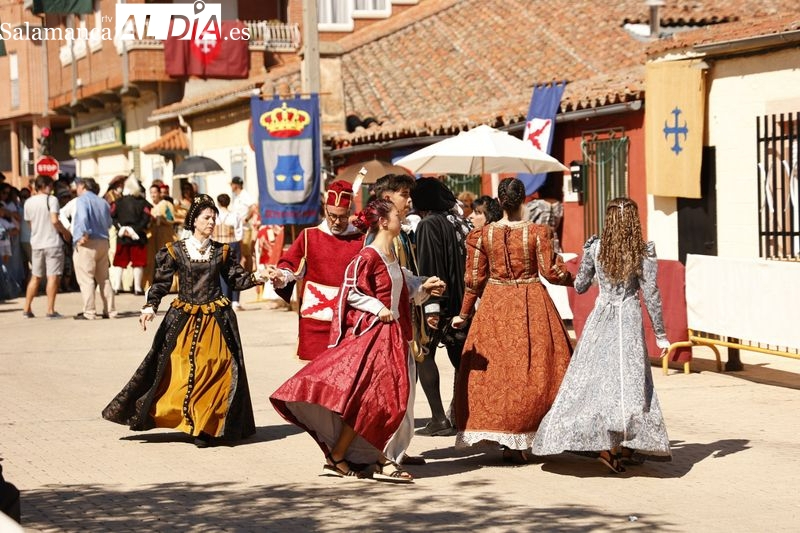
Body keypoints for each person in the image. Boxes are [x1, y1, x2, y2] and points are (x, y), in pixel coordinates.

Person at [270, 199, 445, 482]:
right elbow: (349, 291)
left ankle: (344, 455)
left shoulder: (390, 257)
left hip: (396, 337)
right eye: (398, 215)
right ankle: (381, 460)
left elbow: (400, 292)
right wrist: (379, 309)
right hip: (376, 338)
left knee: (379, 401)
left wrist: (424, 287)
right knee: (383, 401)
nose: (402, 219)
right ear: (384, 222)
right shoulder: (367, 256)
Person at [102, 194, 266, 448]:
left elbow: (237, 280)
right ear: (194, 220)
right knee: (180, 366)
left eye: (214, 218)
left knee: (218, 364)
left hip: (216, 319)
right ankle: (190, 421)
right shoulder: (175, 251)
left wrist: (259, 276)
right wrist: (149, 306)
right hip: (184, 318)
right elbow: (160, 283)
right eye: (206, 218)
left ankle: (206, 425)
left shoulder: (221, 251)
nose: (212, 222)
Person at [531, 197, 672, 473]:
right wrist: (660, 334)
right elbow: (652, 295)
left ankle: (610, 445)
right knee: (630, 382)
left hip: (602, 317)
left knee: (595, 381)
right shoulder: (641, 253)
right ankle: (622, 444)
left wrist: (587, 269)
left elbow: (581, 285)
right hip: (629, 318)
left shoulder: (596, 248)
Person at [450, 177, 574, 464]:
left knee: (499, 372)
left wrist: (464, 313)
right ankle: (528, 432)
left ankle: (505, 434)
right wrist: (576, 279)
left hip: (494, 303)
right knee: (536, 370)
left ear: (499, 200)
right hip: (531, 300)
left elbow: (473, 280)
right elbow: (550, 272)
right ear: (523, 200)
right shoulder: (537, 233)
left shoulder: (483, 236)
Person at [266, 180, 365, 361]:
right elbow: (290, 265)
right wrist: (281, 275)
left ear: (350, 212)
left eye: (342, 217)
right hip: (315, 321)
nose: (336, 221)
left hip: (348, 319)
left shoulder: (361, 240)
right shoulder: (309, 236)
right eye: (332, 215)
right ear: (325, 211)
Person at [410, 177, 469, 437]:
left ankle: (438, 418)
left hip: (440, 303)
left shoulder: (428, 225)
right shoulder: (460, 221)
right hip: (464, 303)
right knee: (461, 361)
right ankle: (465, 415)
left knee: (424, 354)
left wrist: (431, 307)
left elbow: (429, 265)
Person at [22, 175, 71, 318]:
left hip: (36, 243)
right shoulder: (52, 200)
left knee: (35, 276)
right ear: (47, 185)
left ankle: (27, 308)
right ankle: (50, 310)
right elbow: (55, 220)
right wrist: (65, 233)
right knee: (52, 276)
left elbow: (29, 223)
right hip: (52, 243)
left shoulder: (28, 202)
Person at [71, 178, 116, 320]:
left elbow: (83, 217)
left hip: (87, 242)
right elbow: (109, 222)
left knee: (86, 278)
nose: (76, 188)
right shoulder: (103, 202)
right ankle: (110, 310)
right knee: (104, 278)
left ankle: (89, 312)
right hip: (103, 240)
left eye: (77, 185)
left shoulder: (82, 200)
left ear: (83, 186)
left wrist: (84, 233)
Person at [110, 176, 152, 295]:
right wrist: (135, 230)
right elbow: (146, 219)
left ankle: (116, 287)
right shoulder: (143, 203)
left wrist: (122, 228)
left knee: (119, 262)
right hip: (139, 237)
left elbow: (113, 217)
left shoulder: (117, 202)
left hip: (122, 236)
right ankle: (137, 288)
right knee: (138, 263)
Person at [213, 193, 244, 310]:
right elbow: (239, 234)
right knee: (234, 272)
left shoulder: (214, 216)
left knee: (220, 272)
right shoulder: (235, 215)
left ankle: (223, 298)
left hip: (217, 244)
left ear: (218, 203)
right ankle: (235, 300)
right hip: (232, 244)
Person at [524, 173, 565, 253]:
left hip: (539, 242)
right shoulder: (558, 205)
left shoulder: (535, 204)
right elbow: (556, 224)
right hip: (553, 241)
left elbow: (526, 222)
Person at [230, 176, 257, 271]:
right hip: (239, 229)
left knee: (247, 253)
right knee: (242, 253)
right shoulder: (238, 197)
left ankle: (249, 275)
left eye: (232, 184)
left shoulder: (245, 195)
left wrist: (246, 219)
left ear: (235, 185)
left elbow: (253, 207)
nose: (231, 186)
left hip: (245, 228)